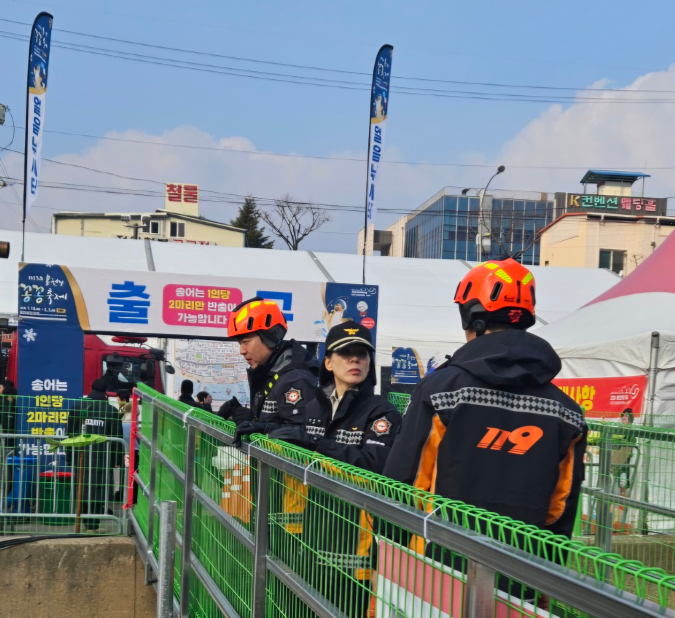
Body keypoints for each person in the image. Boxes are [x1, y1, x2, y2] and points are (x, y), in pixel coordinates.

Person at [383, 258, 587, 580]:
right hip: (522, 575)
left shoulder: (439, 391)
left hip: (435, 573)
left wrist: (393, 565)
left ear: (472, 316)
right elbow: (559, 510)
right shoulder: (568, 413)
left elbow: (405, 481)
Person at [297, 322, 402, 618]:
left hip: (356, 543)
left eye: (362, 353)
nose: (355, 359)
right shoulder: (313, 408)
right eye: (345, 353)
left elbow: (375, 464)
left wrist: (318, 443)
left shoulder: (383, 412)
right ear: (328, 362)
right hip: (313, 533)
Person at [227, 297, 319, 444]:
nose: (242, 351)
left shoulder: (296, 380)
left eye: (246, 342)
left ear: (270, 335)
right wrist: (248, 418)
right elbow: (273, 419)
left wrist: (263, 429)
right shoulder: (268, 373)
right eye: (240, 343)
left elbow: (303, 437)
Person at [66, 388, 123, 533]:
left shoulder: (78, 406)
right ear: (105, 392)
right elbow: (117, 437)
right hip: (103, 457)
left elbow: (70, 433)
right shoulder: (111, 410)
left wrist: (69, 456)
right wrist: (117, 458)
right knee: (99, 490)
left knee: (83, 488)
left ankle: (85, 522)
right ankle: (94, 525)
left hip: (81, 456)